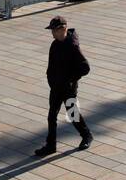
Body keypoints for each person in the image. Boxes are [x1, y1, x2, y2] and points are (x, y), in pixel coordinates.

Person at [34, 15, 93, 156]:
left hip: (68, 88)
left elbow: (85, 67)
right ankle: (51, 145)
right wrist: (51, 80)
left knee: (72, 114)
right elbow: (51, 66)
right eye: (51, 31)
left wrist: (71, 80)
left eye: (54, 30)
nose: (52, 33)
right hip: (55, 87)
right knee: (51, 116)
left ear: (63, 29)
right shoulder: (54, 44)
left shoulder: (72, 46)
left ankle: (87, 136)